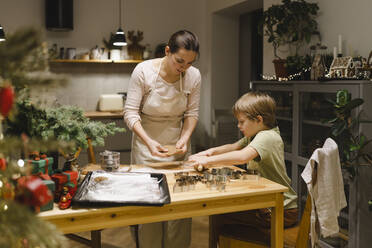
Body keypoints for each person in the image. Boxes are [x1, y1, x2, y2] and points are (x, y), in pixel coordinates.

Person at [188, 92, 298, 247]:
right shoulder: (256, 135)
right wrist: (209, 152)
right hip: (270, 204)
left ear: (259, 120)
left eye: (241, 122)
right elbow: (233, 147)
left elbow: (242, 156)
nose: (238, 126)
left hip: (280, 209)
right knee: (220, 212)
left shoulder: (267, 137)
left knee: (218, 213)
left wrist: (207, 161)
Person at [124, 30, 201, 248]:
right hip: (145, 146)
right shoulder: (143, 71)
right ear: (167, 51)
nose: (183, 67)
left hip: (178, 149)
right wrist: (149, 142)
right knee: (149, 213)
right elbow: (130, 113)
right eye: (179, 61)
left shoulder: (193, 75)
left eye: (189, 63)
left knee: (179, 213)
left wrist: (185, 138)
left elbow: (192, 114)